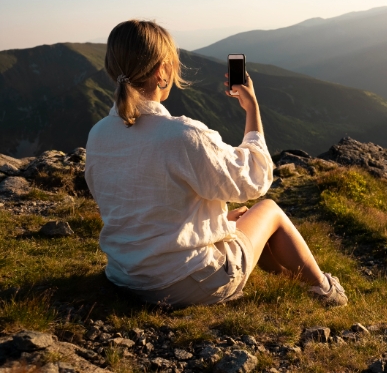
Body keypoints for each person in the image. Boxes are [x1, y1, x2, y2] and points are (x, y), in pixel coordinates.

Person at [84, 19, 347, 308]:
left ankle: (295, 282)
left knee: (238, 220)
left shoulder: (98, 135)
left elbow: (142, 206)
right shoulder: (182, 136)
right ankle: (325, 290)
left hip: (125, 277)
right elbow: (256, 178)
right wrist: (252, 108)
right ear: (162, 71)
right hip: (186, 283)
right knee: (269, 210)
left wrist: (216, 222)